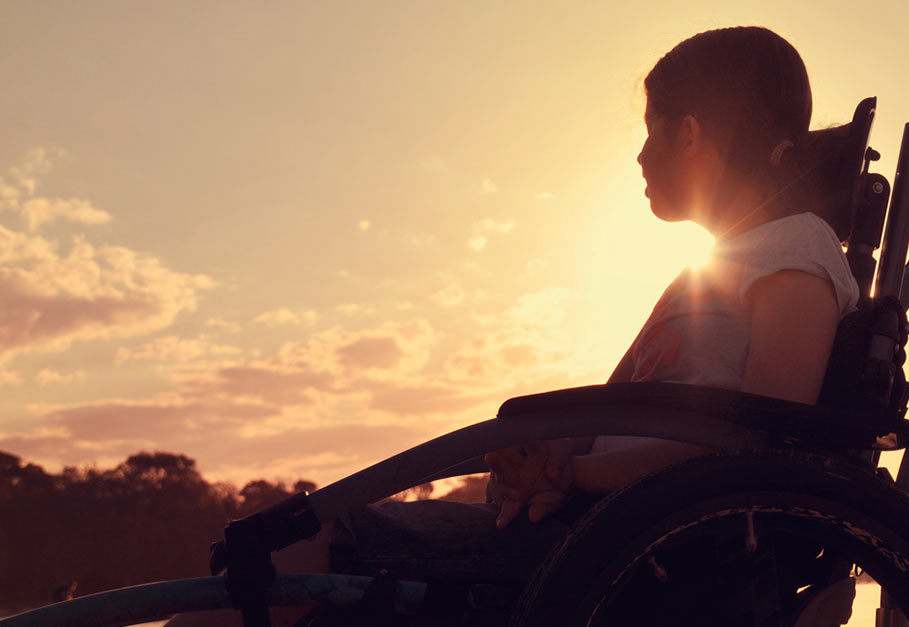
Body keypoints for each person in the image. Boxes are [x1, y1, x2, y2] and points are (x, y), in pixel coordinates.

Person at [168, 25, 859, 626]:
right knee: (285, 543)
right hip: (596, 532)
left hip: (644, 555)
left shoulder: (796, 246)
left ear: (689, 132)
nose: (642, 158)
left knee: (303, 543)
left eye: (652, 132)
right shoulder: (716, 265)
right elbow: (633, 413)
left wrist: (575, 475)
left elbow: (767, 440)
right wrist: (546, 461)